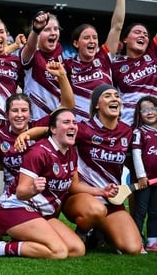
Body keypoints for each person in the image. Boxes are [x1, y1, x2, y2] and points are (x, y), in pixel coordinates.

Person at [0, 108, 106, 259]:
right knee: (59, 251)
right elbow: (21, 192)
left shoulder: (71, 152)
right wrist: (33, 188)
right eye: (66, 122)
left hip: (41, 213)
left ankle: (24, 239)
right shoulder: (38, 152)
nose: (72, 126)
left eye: (74, 123)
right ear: (52, 129)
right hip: (15, 208)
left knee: (77, 249)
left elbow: (73, 186)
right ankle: (0, 248)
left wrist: (102, 191)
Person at [60, 85, 142, 254]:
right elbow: (50, 130)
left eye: (117, 96)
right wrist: (27, 135)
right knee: (96, 210)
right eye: (107, 96)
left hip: (111, 201)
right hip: (81, 197)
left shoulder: (126, 131)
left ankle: (100, 231)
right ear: (97, 104)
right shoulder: (81, 129)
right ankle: (84, 233)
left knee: (132, 248)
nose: (114, 99)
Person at [0, 61, 74, 202]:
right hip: (12, 195)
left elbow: (67, 105)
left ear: (30, 113)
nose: (19, 115)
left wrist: (62, 76)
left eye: (24, 110)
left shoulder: (39, 125)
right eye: (14, 111)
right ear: (7, 114)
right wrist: (7, 165)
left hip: (39, 194)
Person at [65, 0, 126, 121]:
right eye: (86, 38)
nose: (92, 41)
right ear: (76, 43)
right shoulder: (67, 65)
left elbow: (116, 27)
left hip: (106, 122)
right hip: (80, 125)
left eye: (95, 38)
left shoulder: (103, 57)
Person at [20, 11, 64, 121]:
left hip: (56, 122)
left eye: (56, 28)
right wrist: (36, 30)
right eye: (47, 30)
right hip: (34, 120)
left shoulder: (62, 56)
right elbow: (30, 46)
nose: (53, 33)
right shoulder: (31, 54)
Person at [111, 23, 157, 125]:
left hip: (154, 123)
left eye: (146, 35)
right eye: (137, 32)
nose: (143, 35)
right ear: (125, 39)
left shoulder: (153, 54)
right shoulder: (115, 66)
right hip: (128, 124)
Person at [131, 95, 157, 252]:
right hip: (144, 181)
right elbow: (136, 155)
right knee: (140, 211)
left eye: (153, 108)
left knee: (155, 211)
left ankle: (153, 240)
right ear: (139, 114)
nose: (150, 112)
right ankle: (136, 239)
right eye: (145, 110)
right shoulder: (139, 132)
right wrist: (141, 176)